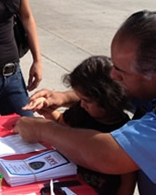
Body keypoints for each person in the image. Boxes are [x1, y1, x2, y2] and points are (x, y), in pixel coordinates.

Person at [14, 10, 156, 195]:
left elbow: (110, 155)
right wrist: (65, 97)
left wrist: (43, 130)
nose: (112, 75)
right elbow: (123, 91)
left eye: (121, 72)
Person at [26, 55, 136, 195]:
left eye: (86, 100)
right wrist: (49, 113)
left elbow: (128, 179)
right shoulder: (81, 112)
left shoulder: (125, 131)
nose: (81, 103)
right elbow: (62, 125)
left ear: (107, 99)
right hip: (70, 186)